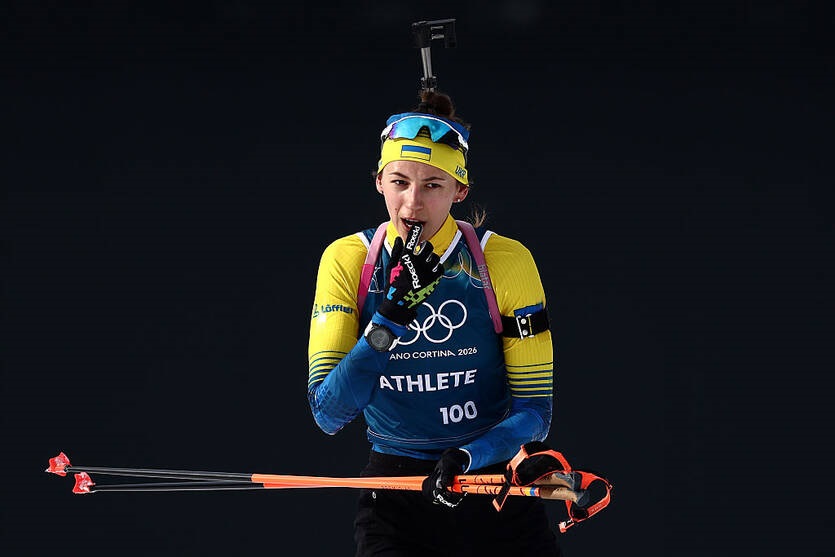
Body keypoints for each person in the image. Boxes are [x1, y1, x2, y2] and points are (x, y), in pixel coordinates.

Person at [307, 89, 560, 556]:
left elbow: (535, 412)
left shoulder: (504, 261)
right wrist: (390, 318)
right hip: (396, 492)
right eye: (399, 181)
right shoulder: (348, 260)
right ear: (379, 182)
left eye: (433, 185)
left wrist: (467, 456)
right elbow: (329, 412)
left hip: (490, 481)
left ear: (460, 191)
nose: (412, 204)